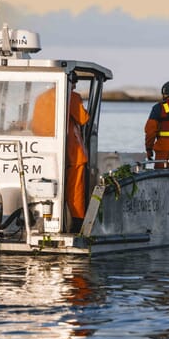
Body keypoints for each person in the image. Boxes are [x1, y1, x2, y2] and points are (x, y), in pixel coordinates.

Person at [66, 78, 90, 232]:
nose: (75, 85)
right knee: (75, 188)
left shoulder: (42, 97)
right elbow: (83, 118)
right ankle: (76, 222)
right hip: (73, 152)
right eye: (74, 82)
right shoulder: (72, 96)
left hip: (48, 151)